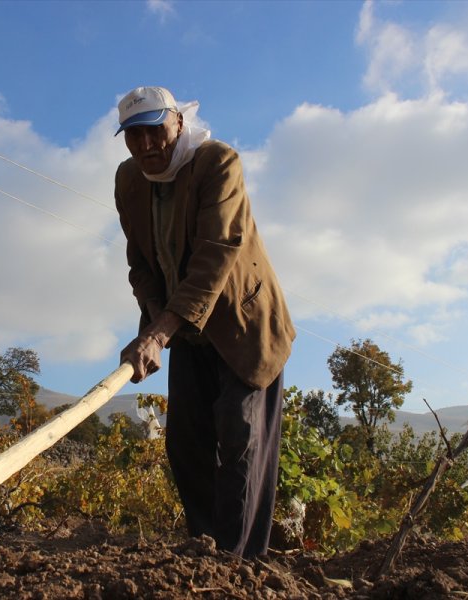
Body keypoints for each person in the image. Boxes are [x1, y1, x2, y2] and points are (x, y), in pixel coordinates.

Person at [114, 86, 296, 558]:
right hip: (185, 331)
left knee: (241, 437)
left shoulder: (217, 162)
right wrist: (154, 325)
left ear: (178, 122)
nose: (146, 146)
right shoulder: (129, 181)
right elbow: (140, 263)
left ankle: (239, 562)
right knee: (186, 445)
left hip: (243, 326)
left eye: (156, 131)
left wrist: (159, 332)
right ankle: (207, 551)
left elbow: (216, 254)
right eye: (134, 137)